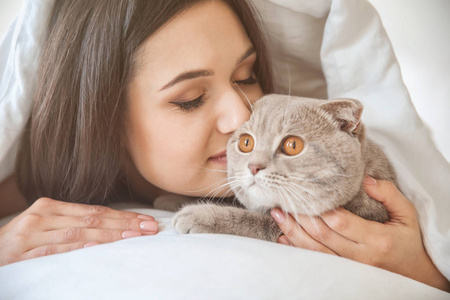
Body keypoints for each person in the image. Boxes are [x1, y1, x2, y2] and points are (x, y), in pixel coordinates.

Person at [0, 0, 448, 292]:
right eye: (190, 99)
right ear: (101, 118)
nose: (241, 118)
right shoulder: (19, 199)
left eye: (246, 77)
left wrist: (429, 274)